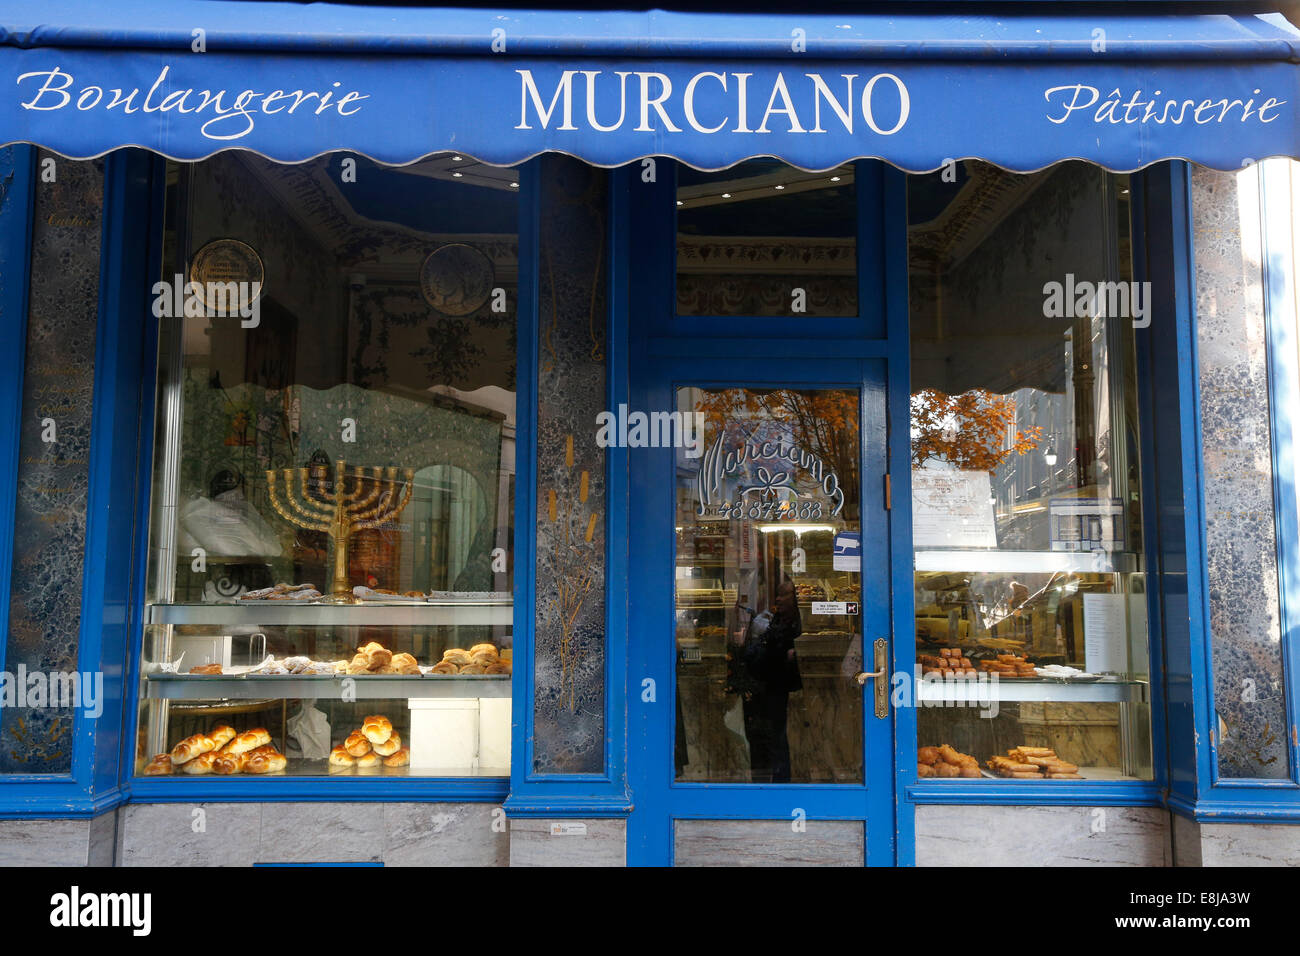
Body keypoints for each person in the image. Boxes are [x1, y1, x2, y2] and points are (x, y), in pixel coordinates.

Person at [733, 575, 803, 783]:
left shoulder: (791, 622)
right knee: (765, 736)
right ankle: (767, 782)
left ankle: (778, 783)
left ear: (795, 597)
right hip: (766, 684)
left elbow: (774, 646)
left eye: (784, 595)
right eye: (778, 595)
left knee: (774, 736)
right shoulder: (777, 618)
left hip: (775, 685)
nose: (779, 600)